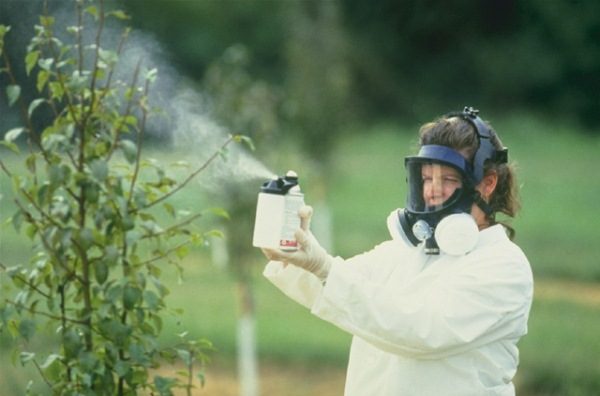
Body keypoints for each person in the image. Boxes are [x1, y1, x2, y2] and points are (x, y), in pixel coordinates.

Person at [260, 107, 533, 396]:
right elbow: (337, 288)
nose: (433, 191)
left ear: (488, 183)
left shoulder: (504, 267)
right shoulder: (406, 251)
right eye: (427, 178)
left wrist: (325, 267)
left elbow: (420, 330)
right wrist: (291, 246)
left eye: (449, 180)